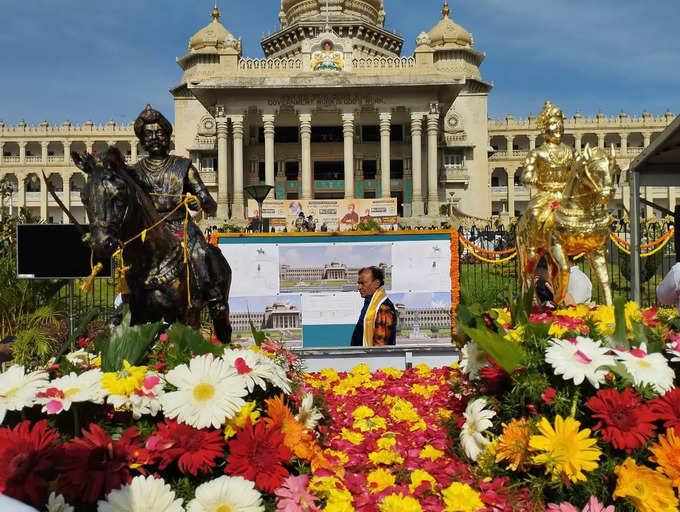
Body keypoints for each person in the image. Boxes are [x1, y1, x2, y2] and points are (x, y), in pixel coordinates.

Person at [130, 105, 227, 316]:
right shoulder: (134, 173)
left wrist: (198, 202)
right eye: (148, 134)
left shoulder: (183, 167)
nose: (154, 137)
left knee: (201, 253)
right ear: (142, 140)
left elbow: (209, 203)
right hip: (149, 232)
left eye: (159, 133)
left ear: (167, 136)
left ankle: (213, 297)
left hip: (180, 228)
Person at [520, 101, 577, 261]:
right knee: (535, 214)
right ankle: (531, 247)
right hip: (545, 195)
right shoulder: (537, 153)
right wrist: (535, 180)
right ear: (544, 128)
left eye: (560, 123)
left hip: (566, 195)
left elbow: (580, 171)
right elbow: (525, 176)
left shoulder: (571, 153)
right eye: (553, 123)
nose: (558, 126)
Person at [351, 266, 397, 346]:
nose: (359, 287)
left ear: (376, 283)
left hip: (371, 357)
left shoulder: (384, 307)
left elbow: (381, 346)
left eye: (363, 283)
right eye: (358, 283)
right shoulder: (370, 304)